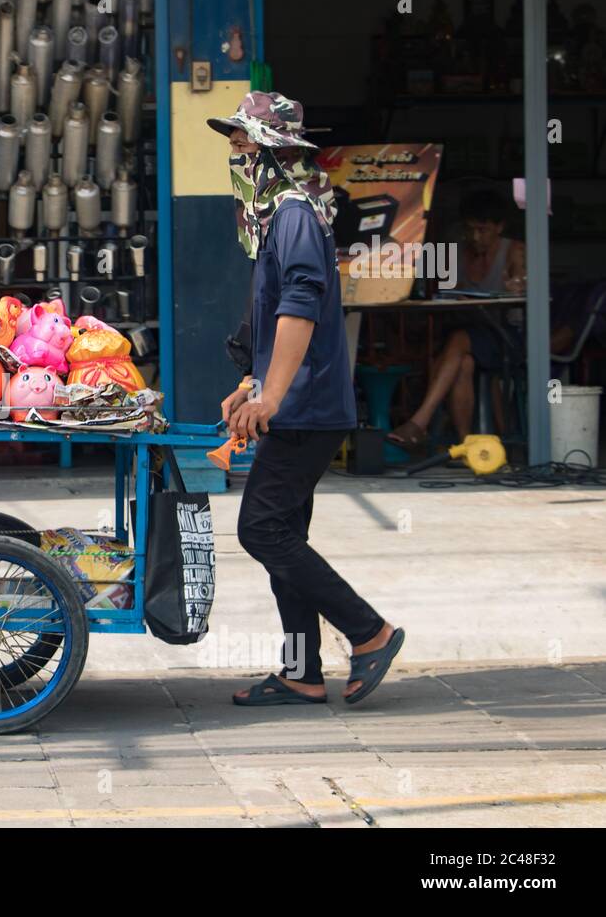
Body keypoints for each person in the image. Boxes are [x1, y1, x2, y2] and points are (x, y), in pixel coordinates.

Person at [208, 92, 404, 706]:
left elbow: (300, 306)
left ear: (270, 152)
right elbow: (274, 320)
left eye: (242, 142)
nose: (235, 153)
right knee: (283, 533)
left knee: (261, 529)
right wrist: (251, 382)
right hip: (297, 403)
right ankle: (302, 672)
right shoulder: (282, 215)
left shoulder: (292, 213)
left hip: (307, 407)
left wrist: (270, 393)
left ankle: (370, 632)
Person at [388, 189, 536, 447]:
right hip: (470, 336)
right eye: (470, 229)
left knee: (459, 341)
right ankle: (466, 444)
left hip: (505, 339)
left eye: (483, 230)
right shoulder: (457, 252)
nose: (475, 237)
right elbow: (445, 291)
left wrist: (518, 284)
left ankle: (419, 422)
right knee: (463, 362)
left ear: (499, 227)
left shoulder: (514, 250)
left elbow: (523, 280)